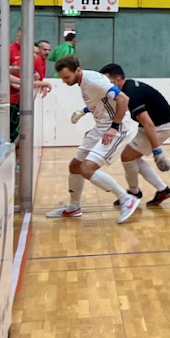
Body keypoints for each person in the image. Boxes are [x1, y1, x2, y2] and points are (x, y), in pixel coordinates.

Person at [46, 56, 143, 223]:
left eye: (67, 77)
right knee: (75, 165)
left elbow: (123, 99)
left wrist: (114, 127)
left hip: (118, 129)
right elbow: (101, 103)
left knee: (87, 169)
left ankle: (127, 199)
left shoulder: (93, 81)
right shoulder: (84, 81)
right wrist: (91, 121)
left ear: (78, 70)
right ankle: (74, 207)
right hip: (101, 128)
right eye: (62, 78)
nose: (64, 81)